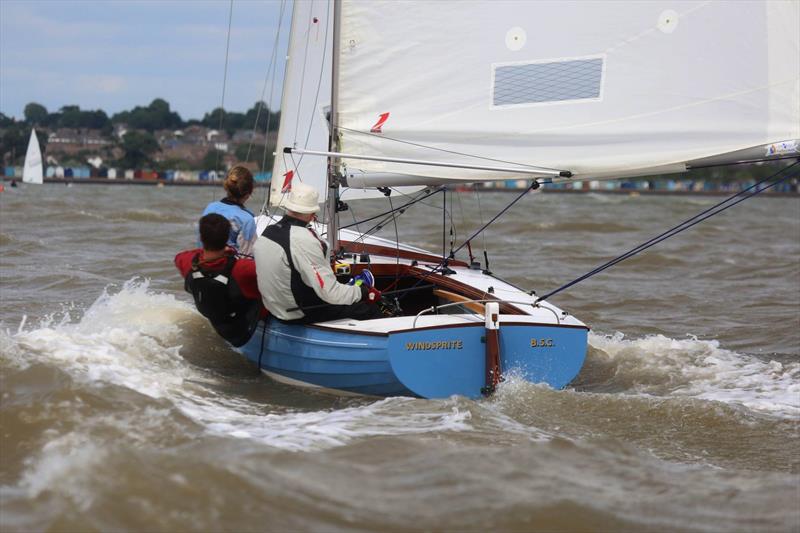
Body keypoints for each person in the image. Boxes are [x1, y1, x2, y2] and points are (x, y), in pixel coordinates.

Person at [253, 182, 382, 323]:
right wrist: (363, 292)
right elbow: (330, 293)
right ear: (313, 213)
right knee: (370, 310)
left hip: (275, 308)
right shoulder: (304, 240)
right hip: (296, 314)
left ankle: (351, 287)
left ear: (288, 207)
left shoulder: (267, 232)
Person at [176, 213, 264, 347]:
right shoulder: (243, 268)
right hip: (244, 329)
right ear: (228, 238)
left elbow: (179, 257)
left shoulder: (187, 262)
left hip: (217, 322)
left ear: (201, 237)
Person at [202, 165, 257, 256]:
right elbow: (248, 257)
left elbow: (201, 244)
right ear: (248, 194)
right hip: (229, 267)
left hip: (206, 263)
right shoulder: (247, 219)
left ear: (227, 187)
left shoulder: (210, 208)